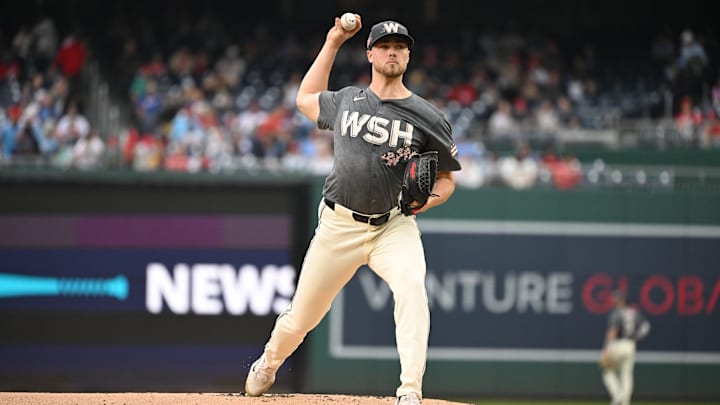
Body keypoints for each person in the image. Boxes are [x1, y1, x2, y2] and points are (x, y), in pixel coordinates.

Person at [244, 15, 461, 405]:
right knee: (301, 318)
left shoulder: (428, 116)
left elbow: (446, 179)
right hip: (338, 224)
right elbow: (304, 99)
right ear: (371, 54)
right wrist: (332, 40)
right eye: (385, 46)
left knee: (412, 289)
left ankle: (410, 391)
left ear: (408, 56)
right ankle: (268, 363)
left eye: (400, 47)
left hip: (393, 225)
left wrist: (426, 202)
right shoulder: (347, 99)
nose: (392, 52)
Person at [599, 289, 651, 405]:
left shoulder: (616, 313)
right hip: (630, 344)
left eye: (615, 299)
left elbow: (612, 332)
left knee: (607, 370)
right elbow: (646, 327)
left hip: (617, 344)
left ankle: (618, 394)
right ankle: (625, 402)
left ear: (621, 301)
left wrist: (606, 349)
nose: (613, 301)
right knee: (627, 375)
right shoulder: (635, 312)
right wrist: (635, 337)